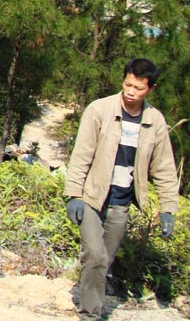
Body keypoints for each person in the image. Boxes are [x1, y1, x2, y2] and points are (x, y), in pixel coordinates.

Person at [64, 58, 179, 321]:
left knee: (104, 260)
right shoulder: (100, 110)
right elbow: (81, 155)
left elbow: (164, 169)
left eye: (138, 88)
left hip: (121, 202)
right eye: (127, 84)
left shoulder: (155, 121)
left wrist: (168, 210)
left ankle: (92, 302)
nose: (130, 92)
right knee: (94, 255)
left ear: (150, 89)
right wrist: (73, 196)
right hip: (92, 198)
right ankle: (90, 315)